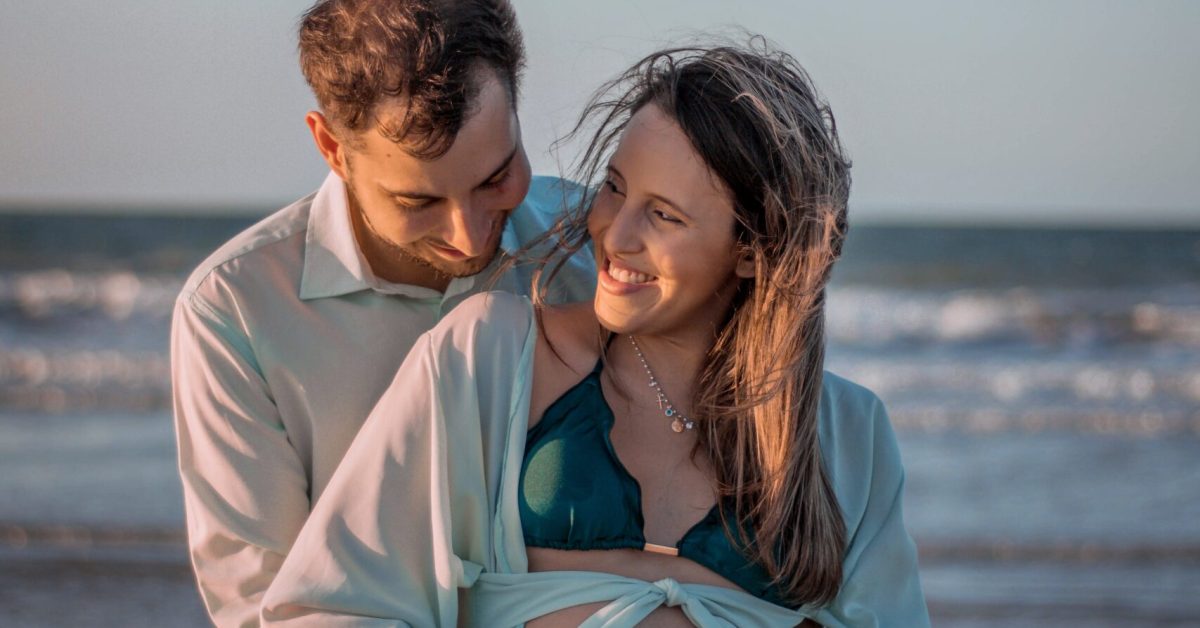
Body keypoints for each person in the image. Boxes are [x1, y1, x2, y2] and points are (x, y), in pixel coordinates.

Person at [261, 41, 929, 627]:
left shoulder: (848, 431)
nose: (615, 233)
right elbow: (332, 605)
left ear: (754, 251)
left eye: (663, 216)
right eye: (614, 188)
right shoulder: (489, 357)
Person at [170, 1, 593, 625]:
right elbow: (265, 606)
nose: (471, 235)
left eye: (496, 178)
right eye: (418, 199)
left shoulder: (597, 249)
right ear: (332, 148)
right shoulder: (232, 310)